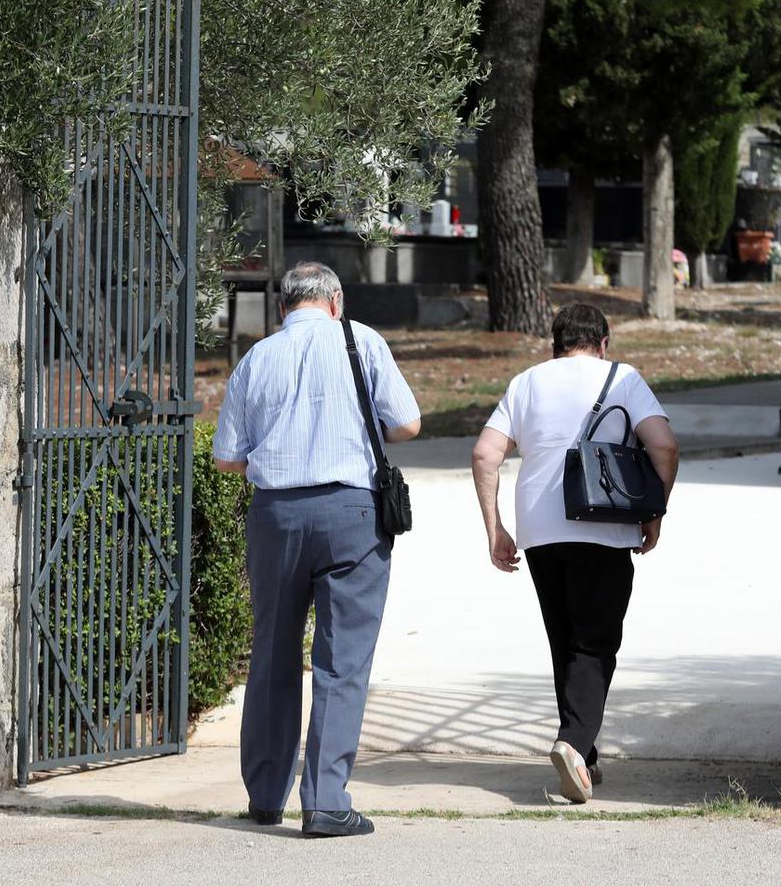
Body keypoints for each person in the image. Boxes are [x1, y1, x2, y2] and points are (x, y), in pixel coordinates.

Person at [213, 261, 421, 838]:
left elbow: (228, 458)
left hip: (276, 515)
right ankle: (326, 800)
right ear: (336, 301)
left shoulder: (257, 357)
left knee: (273, 653)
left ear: (284, 307)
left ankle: (264, 795)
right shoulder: (364, 342)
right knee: (342, 660)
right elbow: (408, 424)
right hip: (352, 513)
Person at [469, 302, 678, 804]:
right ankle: (571, 744)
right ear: (603, 343)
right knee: (595, 642)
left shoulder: (526, 382)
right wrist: (655, 510)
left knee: (565, 638)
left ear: (555, 343)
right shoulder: (623, 378)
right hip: (604, 526)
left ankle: (585, 753)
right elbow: (665, 447)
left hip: (540, 531)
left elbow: (485, 453)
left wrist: (495, 527)